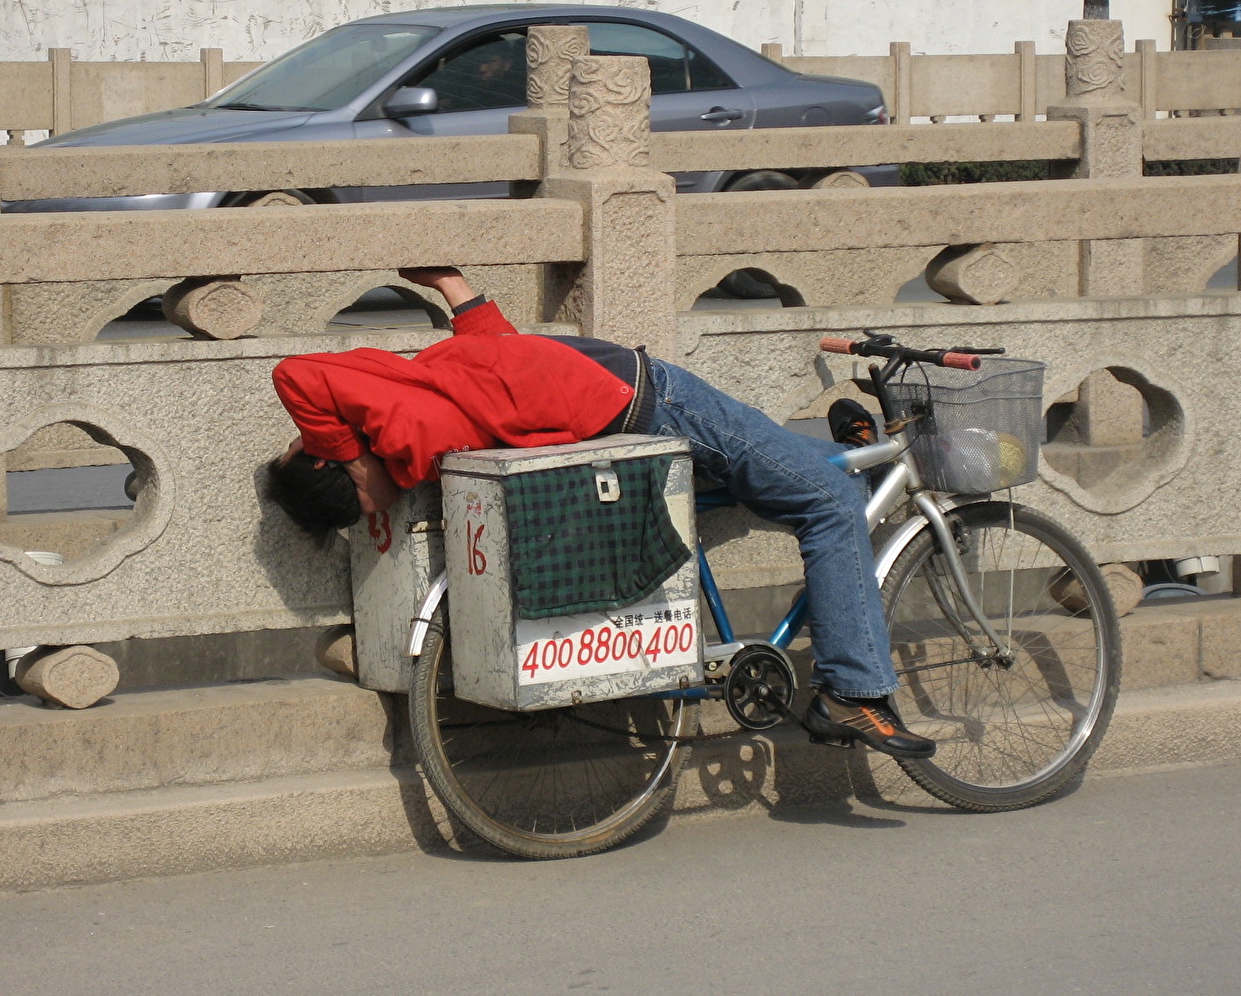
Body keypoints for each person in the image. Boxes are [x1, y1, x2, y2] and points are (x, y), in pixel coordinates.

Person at [266, 267, 935, 759]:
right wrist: (353, 460)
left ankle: (848, 452)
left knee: (784, 475)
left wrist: (454, 288)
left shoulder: (417, 417)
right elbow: (295, 375)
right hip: (655, 400)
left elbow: (496, 359)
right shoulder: (400, 428)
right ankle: (851, 688)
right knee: (831, 504)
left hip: (620, 406)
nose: (306, 434)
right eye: (309, 446)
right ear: (336, 467)